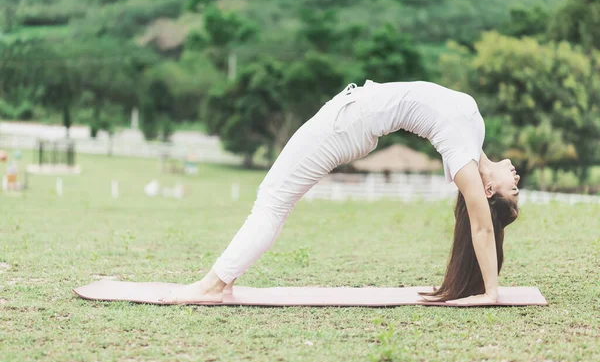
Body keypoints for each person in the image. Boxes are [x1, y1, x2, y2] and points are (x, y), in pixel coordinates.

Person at [160, 80, 520, 305]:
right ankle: (220, 284)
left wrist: (491, 292)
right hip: (349, 119)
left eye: (514, 192)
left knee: (271, 203)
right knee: (272, 200)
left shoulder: (463, 159)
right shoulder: (474, 136)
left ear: (489, 189)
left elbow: (483, 227)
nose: (518, 182)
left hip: (346, 126)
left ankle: (212, 285)